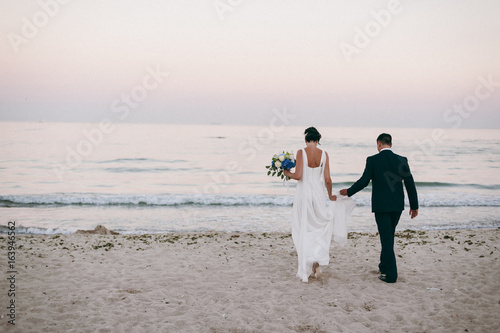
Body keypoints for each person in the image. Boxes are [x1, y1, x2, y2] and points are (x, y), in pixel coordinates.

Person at [340, 133, 419, 284]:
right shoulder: (401, 160)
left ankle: (391, 275)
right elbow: (410, 183)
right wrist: (414, 206)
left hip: (381, 206)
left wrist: (348, 191)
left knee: (386, 238)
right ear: (390, 144)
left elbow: (364, 181)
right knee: (389, 236)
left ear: (379, 144)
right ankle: (383, 266)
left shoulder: (373, 160)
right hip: (397, 206)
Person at [284, 127, 354, 283]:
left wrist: (287, 173)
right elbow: (328, 179)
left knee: (304, 227)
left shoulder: (301, 152)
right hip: (318, 193)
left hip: (304, 193)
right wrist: (330, 195)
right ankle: (315, 259)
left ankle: (309, 261)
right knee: (318, 227)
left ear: (306, 139)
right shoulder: (324, 154)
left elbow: (299, 175)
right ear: (317, 140)